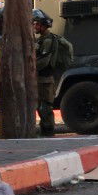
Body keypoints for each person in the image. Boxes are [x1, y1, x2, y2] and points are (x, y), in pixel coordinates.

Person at [33, 9, 65, 137]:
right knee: (40, 107)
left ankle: (48, 132)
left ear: (43, 25)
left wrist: (30, 67)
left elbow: (44, 61)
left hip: (45, 79)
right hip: (40, 79)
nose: (35, 26)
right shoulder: (41, 39)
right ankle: (45, 132)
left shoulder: (48, 40)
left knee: (45, 108)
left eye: (37, 24)